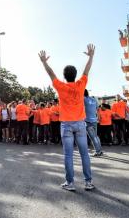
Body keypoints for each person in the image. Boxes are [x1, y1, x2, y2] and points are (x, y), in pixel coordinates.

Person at [38, 43, 96, 191]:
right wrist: (91, 56)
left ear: (64, 76)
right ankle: (88, 182)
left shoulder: (60, 87)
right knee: (84, 154)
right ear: (75, 75)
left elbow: (51, 74)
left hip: (66, 125)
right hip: (80, 124)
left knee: (68, 155)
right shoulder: (81, 84)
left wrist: (44, 62)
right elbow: (87, 70)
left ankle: (70, 183)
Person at [84, 89, 103, 156]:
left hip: (88, 121)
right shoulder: (94, 99)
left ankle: (98, 152)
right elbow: (98, 109)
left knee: (93, 137)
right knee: (96, 136)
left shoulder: (83, 99)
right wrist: (98, 117)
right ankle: (100, 150)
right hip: (94, 120)